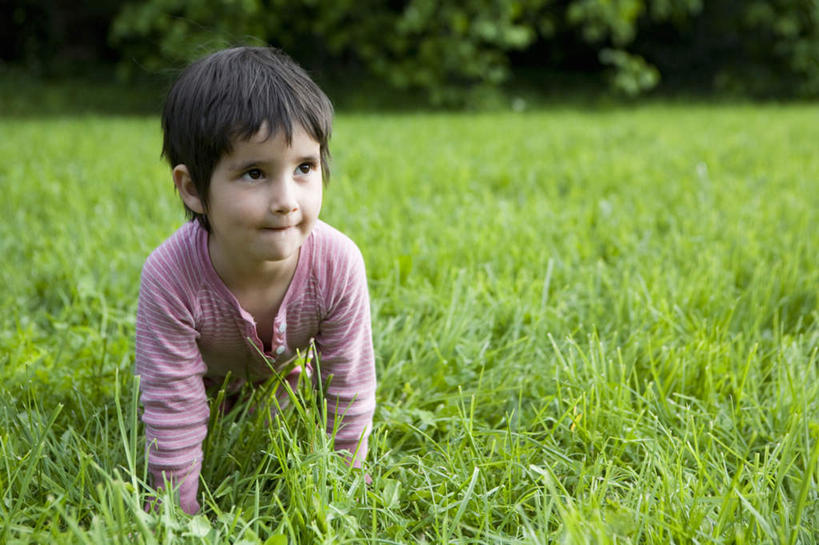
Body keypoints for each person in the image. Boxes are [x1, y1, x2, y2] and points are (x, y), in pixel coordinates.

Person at [134, 46, 376, 515]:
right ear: (192, 188)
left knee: (291, 398)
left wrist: (345, 496)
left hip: (284, 378)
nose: (287, 200)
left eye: (304, 167)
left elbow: (348, 387)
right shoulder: (170, 277)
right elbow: (171, 410)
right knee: (191, 403)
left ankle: (274, 388)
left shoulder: (337, 263)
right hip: (203, 381)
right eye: (254, 173)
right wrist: (175, 514)